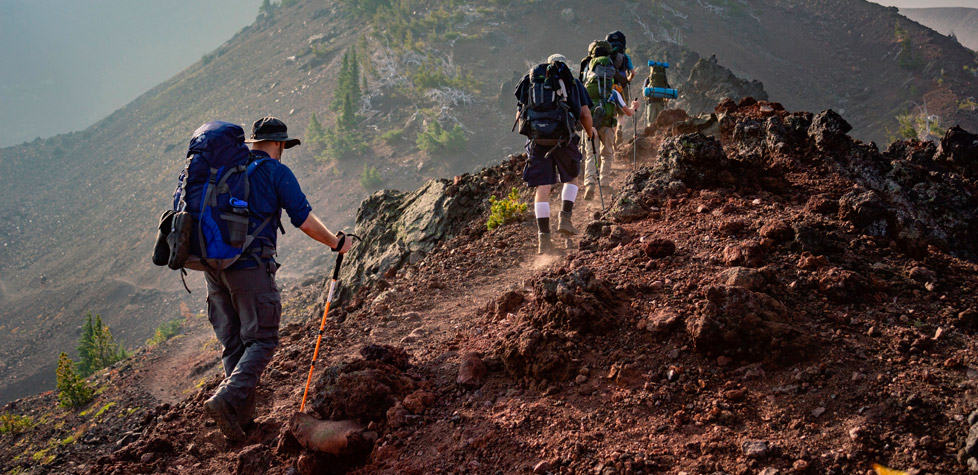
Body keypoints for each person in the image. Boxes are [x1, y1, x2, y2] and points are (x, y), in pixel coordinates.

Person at [203, 117, 353, 441]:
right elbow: (304, 219)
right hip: (250, 267)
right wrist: (336, 243)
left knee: (235, 344)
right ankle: (226, 400)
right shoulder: (276, 172)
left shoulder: (228, 170)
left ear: (253, 142)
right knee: (263, 340)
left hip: (213, 269)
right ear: (280, 145)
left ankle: (240, 425)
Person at [514, 54, 596, 254]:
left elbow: (520, 115)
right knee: (571, 179)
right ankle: (565, 218)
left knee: (542, 188)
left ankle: (544, 240)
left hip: (537, 142)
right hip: (564, 139)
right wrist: (589, 132)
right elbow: (585, 114)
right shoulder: (572, 83)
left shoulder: (530, 83)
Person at [583, 79, 640, 201]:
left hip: (590, 126)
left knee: (591, 154)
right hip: (607, 127)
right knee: (607, 154)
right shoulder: (613, 92)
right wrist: (634, 107)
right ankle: (604, 184)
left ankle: (590, 184)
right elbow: (628, 113)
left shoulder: (585, 89)